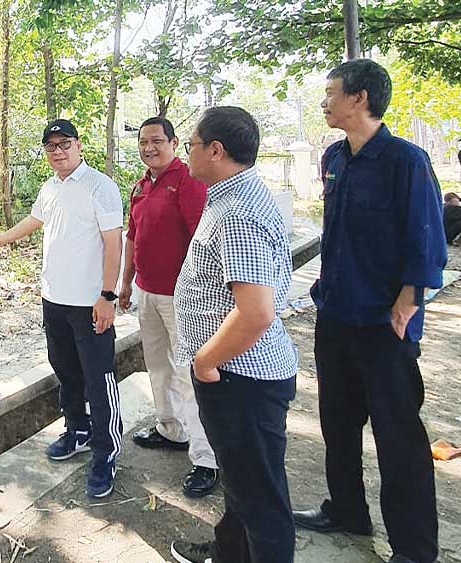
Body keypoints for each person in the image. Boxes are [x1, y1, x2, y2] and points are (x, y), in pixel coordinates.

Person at [294, 59, 446, 563]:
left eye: (331, 92)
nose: (325, 101)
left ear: (359, 98)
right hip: (336, 314)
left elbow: (427, 237)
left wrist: (407, 302)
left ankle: (414, 549)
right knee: (337, 423)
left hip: (385, 324)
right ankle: (347, 509)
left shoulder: (405, 160)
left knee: (397, 437)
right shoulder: (335, 157)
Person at [169, 107, 299, 563]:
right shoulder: (228, 196)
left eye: (191, 145)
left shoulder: (238, 212)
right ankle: (229, 553)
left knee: (260, 498)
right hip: (237, 372)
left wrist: (205, 361)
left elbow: (256, 312)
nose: (187, 156)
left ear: (216, 150)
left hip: (239, 376)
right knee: (243, 482)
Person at [0, 118, 124, 498]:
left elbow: (113, 244)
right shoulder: (50, 187)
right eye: (52, 146)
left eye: (65, 143)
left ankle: (105, 451)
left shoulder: (101, 186)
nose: (59, 151)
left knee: (99, 379)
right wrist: (3, 238)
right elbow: (36, 219)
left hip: (90, 304)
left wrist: (108, 296)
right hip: (55, 300)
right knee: (65, 371)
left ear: (79, 146)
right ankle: (77, 430)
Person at [121, 116, 218, 498]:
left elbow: (202, 239)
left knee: (190, 373)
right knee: (158, 367)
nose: (149, 148)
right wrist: (126, 283)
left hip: (183, 298)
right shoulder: (141, 186)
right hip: (147, 292)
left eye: (157, 141)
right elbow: (134, 237)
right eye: (144, 142)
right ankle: (170, 430)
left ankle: (207, 458)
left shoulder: (188, 182)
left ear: (174, 143)